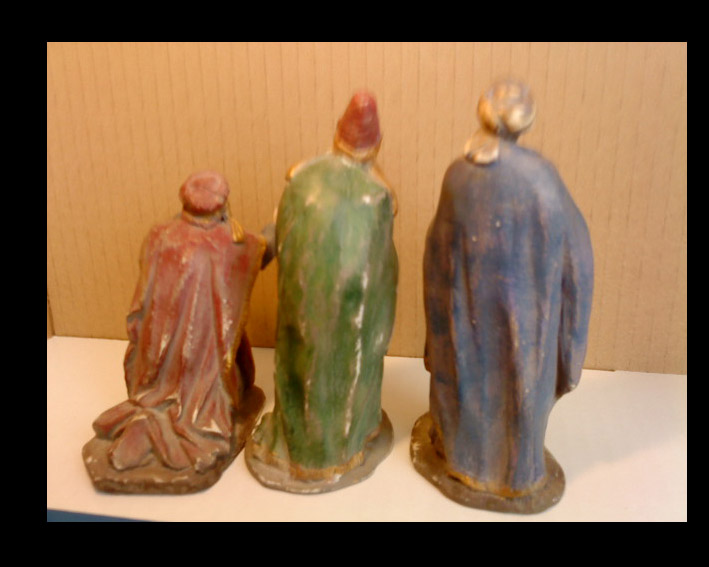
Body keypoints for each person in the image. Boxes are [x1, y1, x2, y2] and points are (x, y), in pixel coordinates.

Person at [411, 80, 594, 513]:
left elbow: (435, 260)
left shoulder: (458, 177)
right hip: (525, 338)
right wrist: (570, 349)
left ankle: (462, 459)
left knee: (468, 384)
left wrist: (435, 337)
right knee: (518, 393)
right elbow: (579, 261)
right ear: (524, 122)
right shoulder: (542, 181)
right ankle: (512, 476)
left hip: (465, 328)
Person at [246, 91, 398, 493]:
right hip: (350, 311)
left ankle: (297, 449)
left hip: (303, 303)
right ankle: (340, 450)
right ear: (375, 147)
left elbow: (277, 233)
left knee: (303, 368)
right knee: (346, 374)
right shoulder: (377, 195)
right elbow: (382, 271)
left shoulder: (302, 179)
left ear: (336, 135)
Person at [83, 171, 266, 494]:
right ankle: (163, 429)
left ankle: (148, 422)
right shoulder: (235, 243)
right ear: (222, 205)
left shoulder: (159, 236)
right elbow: (260, 251)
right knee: (203, 404)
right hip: (203, 371)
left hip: (154, 369)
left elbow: (139, 309)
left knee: (161, 399)